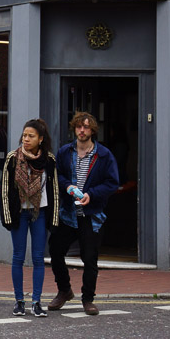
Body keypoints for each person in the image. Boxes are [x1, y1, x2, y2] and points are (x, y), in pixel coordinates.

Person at [48, 111, 119, 316]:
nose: (82, 130)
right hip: (68, 214)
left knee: (90, 259)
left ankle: (88, 299)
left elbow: (112, 183)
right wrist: (68, 186)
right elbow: (57, 175)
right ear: (74, 128)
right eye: (79, 126)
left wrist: (91, 194)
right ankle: (64, 291)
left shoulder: (104, 155)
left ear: (93, 130)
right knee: (55, 250)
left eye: (86, 127)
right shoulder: (64, 152)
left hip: (91, 214)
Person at [0, 118, 59, 317]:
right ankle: (19, 301)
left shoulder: (49, 160)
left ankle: (36, 302)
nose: (26, 139)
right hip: (19, 214)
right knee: (18, 257)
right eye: (24, 135)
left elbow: (54, 190)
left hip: (39, 213)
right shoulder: (13, 158)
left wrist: (54, 218)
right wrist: (7, 216)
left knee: (38, 258)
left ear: (40, 139)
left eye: (31, 136)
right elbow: (5, 190)